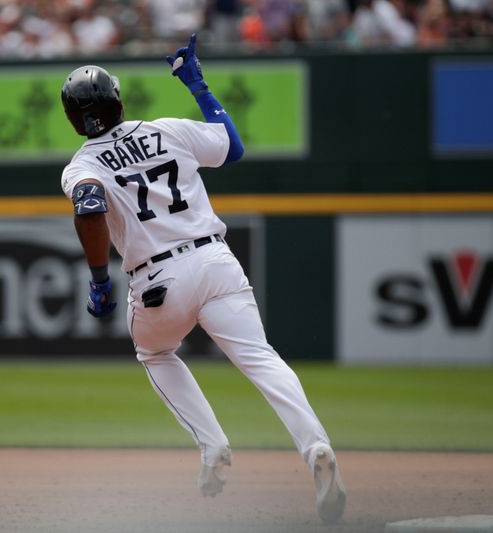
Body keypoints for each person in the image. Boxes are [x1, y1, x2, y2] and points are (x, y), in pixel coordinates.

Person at [59, 34, 346, 524]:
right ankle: (316, 445)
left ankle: (213, 447)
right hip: (215, 261)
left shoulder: (83, 165)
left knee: (154, 351)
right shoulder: (166, 129)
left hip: (156, 282)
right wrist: (197, 84)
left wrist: (98, 280)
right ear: (119, 102)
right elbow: (231, 148)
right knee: (260, 359)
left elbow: (90, 208)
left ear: (72, 118)